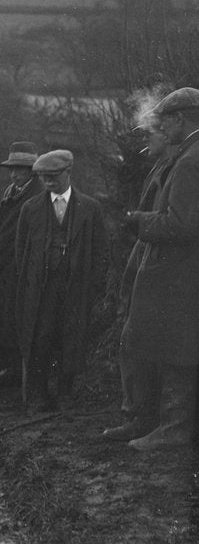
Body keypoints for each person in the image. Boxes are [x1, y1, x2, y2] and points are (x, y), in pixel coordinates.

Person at [116, 88, 199, 449]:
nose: (160, 127)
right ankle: (162, 424)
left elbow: (182, 225)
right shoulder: (188, 155)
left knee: (179, 348)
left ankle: (175, 429)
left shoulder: (190, 160)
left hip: (182, 273)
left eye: (164, 120)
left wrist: (138, 221)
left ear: (180, 118)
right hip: (183, 272)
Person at [103, 114, 178, 442]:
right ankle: (140, 415)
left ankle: (143, 418)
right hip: (146, 259)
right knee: (133, 339)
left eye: (151, 133)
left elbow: (175, 223)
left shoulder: (179, 167)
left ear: (168, 135)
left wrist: (137, 220)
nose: (145, 139)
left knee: (139, 341)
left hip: (164, 269)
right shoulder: (160, 167)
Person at [15, 149, 108, 412]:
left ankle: (65, 392)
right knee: (39, 337)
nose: (47, 182)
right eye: (43, 177)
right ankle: (38, 394)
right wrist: (29, 285)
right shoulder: (30, 209)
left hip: (76, 287)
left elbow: (102, 251)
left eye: (53, 176)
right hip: (42, 289)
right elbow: (20, 252)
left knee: (71, 337)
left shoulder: (90, 208)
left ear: (68, 172)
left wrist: (93, 286)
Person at [0, 142, 42, 385]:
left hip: (20, 263)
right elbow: (0, 226)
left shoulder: (38, 194)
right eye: (12, 169)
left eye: (20, 169)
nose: (14, 174)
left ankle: (15, 367)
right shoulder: (10, 191)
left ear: (32, 171)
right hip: (3, 260)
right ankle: (1, 358)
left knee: (14, 314)